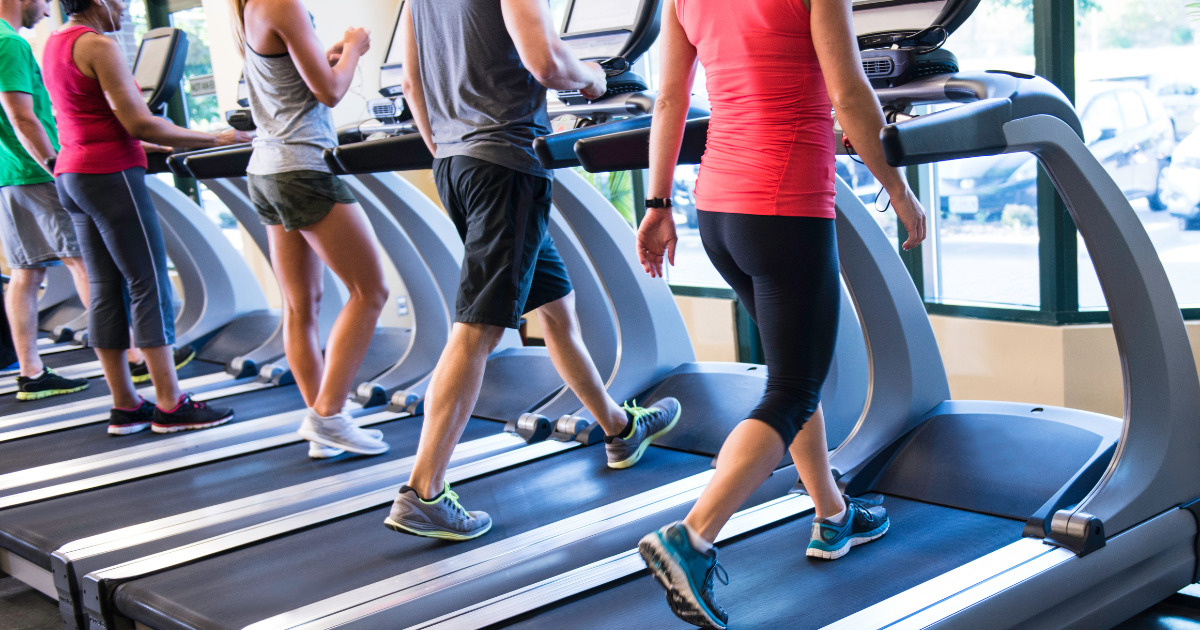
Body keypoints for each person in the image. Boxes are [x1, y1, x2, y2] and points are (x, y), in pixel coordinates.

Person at [634, 0, 928, 627]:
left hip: (717, 211)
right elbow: (849, 93)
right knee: (793, 387)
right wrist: (899, 189)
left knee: (793, 375)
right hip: (785, 205)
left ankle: (831, 514)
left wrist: (657, 202)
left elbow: (670, 101)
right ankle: (692, 536)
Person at [384, 0, 681, 541]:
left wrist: (447, 150)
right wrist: (594, 80)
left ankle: (618, 428)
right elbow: (546, 64)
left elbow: (411, 81)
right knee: (479, 327)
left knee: (557, 309)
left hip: (456, 163)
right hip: (504, 164)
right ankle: (422, 492)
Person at [43, 0, 250, 434]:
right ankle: (171, 404)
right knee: (148, 283)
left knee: (104, 288)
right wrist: (216, 137)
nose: (125, 7)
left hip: (73, 174)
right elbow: (139, 124)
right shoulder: (98, 45)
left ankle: (125, 405)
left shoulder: (57, 42)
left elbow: (95, 118)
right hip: (110, 175)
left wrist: (159, 144)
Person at [230, 0, 390, 459]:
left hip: (266, 168)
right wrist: (356, 49)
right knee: (370, 291)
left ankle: (324, 421)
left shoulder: (253, 8)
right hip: (302, 168)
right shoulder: (283, 3)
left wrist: (335, 51)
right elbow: (330, 93)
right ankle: (329, 415)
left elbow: (295, 79)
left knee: (302, 305)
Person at [0, 0, 91, 401]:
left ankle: (31, 373)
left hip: (8, 175)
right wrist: (56, 166)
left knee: (25, 272)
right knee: (85, 262)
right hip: (36, 170)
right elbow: (21, 115)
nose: (45, 6)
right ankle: (137, 359)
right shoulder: (11, 43)